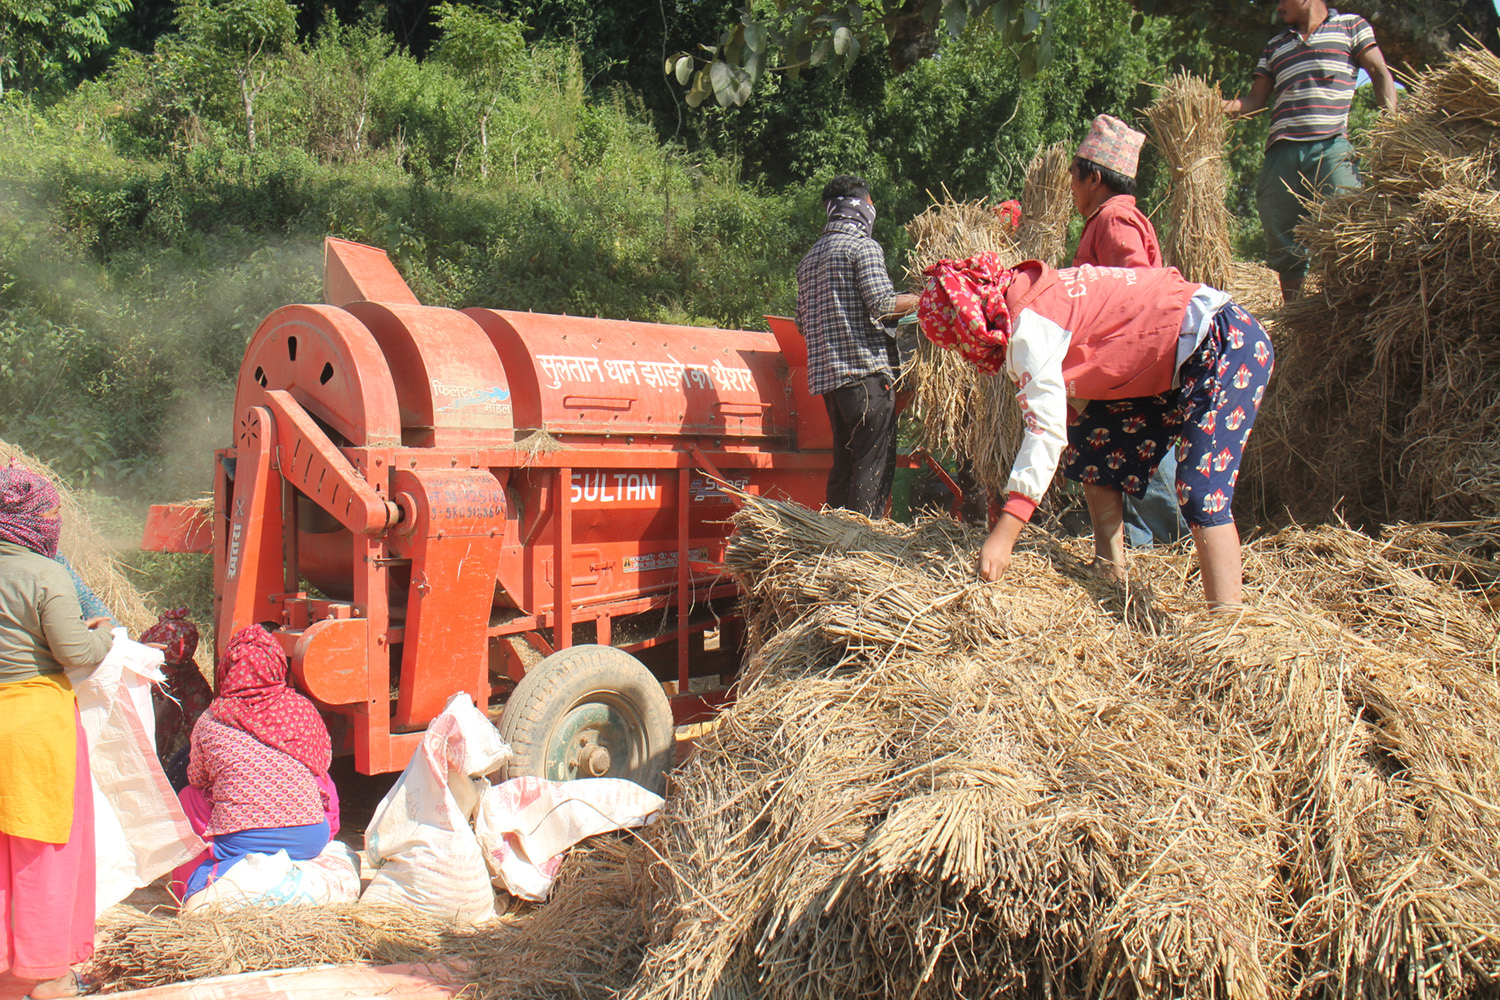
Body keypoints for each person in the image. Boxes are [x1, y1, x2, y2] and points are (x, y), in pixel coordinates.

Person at [918, 257, 1275, 608]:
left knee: (1200, 489)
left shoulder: (1031, 326)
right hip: (1174, 354)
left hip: (1223, 340)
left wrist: (1004, 535)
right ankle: (1109, 569)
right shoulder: (1030, 295)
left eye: (957, 341)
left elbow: (1046, 431)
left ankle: (1226, 628)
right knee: (1093, 440)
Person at [0, 462, 113, 1000]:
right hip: (33, 725)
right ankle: (44, 974)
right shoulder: (47, 574)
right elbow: (75, 653)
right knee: (42, 848)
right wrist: (104, 635)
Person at [1068, 114, 1188, 549]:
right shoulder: (1109, 217)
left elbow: (1136, 289)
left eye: (1075, 179)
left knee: (1142, 461)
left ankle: (1184, 547)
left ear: (1095, 177)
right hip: (1119, 372)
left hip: (1131, 372)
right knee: (1109, 463)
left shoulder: (1113, 219)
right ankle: (1133, 559)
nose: (1072, 189)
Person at [1225, 0, 1396, 301]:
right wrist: (1216, 106)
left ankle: (1350, 307)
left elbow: (1379, 72)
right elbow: (1255, 100)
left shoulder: (1351, 27)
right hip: (1281, 153)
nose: (1277, 7)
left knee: (1346, 228)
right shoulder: (1276, 45)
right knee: (1283, 241)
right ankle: (1295, 314)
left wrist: (1394, 129)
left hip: (1330, 146)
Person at [171, 624, 339, 905]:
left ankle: (196, 884)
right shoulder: (303, 710)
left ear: (226, 670)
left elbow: (197, 778)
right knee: (323, 781)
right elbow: (323, 761)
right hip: (311, 838)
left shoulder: (212, 718)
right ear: (277, 667)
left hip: (239, 841)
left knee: (188, 797)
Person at [795, 174, 921, 518]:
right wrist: (922, 300)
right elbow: (881, 303)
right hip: (866, 379)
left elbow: (801, 324)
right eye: (870, 203)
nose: (872, 208)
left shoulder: (808, 261)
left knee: (845, 465)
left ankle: (832, 541)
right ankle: (864, 545)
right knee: (872, 466)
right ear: (861, 207)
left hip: (831, 388)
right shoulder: (862, 247)